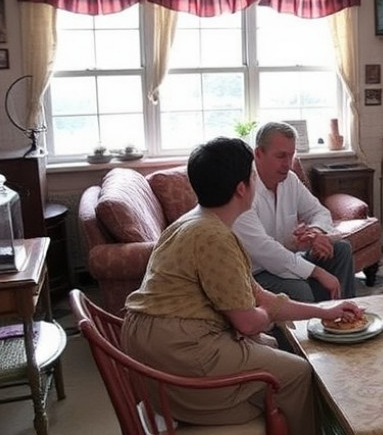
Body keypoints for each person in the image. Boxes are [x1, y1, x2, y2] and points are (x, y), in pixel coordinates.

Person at [121, 137, 363, 435]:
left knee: (270, 345)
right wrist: (267, 315)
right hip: (177, 357)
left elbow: (261, 296)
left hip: (150, 350)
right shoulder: (216, 237)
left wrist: (324, 312)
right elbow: (249, 322)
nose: (255, 181)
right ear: (241, 188)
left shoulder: (193, 223)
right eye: (252, 175)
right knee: (298, 373)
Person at [233, 121, 356, 302]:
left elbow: (319, 212)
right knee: (299, 289)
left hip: (290, 259)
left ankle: (344, 312)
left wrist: (315, 232)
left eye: (291, 155)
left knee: (341, 249)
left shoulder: (290, 180)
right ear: (258, 153)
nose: (287, 164)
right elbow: (265, 250)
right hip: (257, 271)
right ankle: (320, 313)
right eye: (281, 156)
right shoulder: (243, 190)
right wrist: (317, 272)